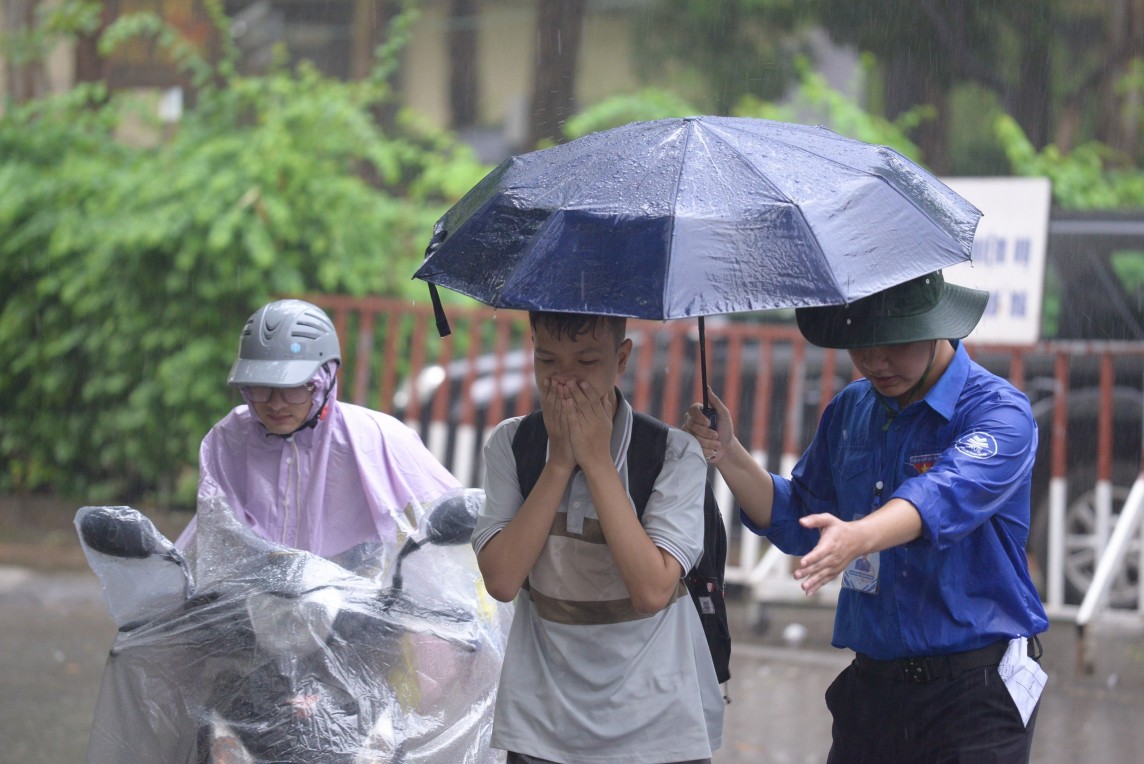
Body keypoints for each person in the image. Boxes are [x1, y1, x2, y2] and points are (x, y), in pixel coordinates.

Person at [684, 272, 1049, 763]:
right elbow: (800, 517)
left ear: (937, 326)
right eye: (860, 344)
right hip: (872, 692)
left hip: (974, 694)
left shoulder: (1000, 413)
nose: (875, 361)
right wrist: (727, 453)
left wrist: (858, 535)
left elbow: (942, 493)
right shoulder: (852, 408)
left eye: (892, 343)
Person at [473, 311, 725, 764]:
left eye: (586, 362)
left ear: (621, 358)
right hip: (542, 727)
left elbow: (651, 590)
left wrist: (597, 461)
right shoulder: (512, 444)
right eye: (548, 361)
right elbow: (502, 581)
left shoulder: (673, 453)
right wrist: (558, 464)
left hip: (656, 727)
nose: (565, 382)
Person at [176, 298, 459, 556]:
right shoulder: (229, 438)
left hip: (358, 608)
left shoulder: (377, 439)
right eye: (260, 388)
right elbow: (219, 535)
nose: (275, 404)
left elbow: (450, 514)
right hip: (250, 605)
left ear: (326, 379)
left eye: (294, 389)